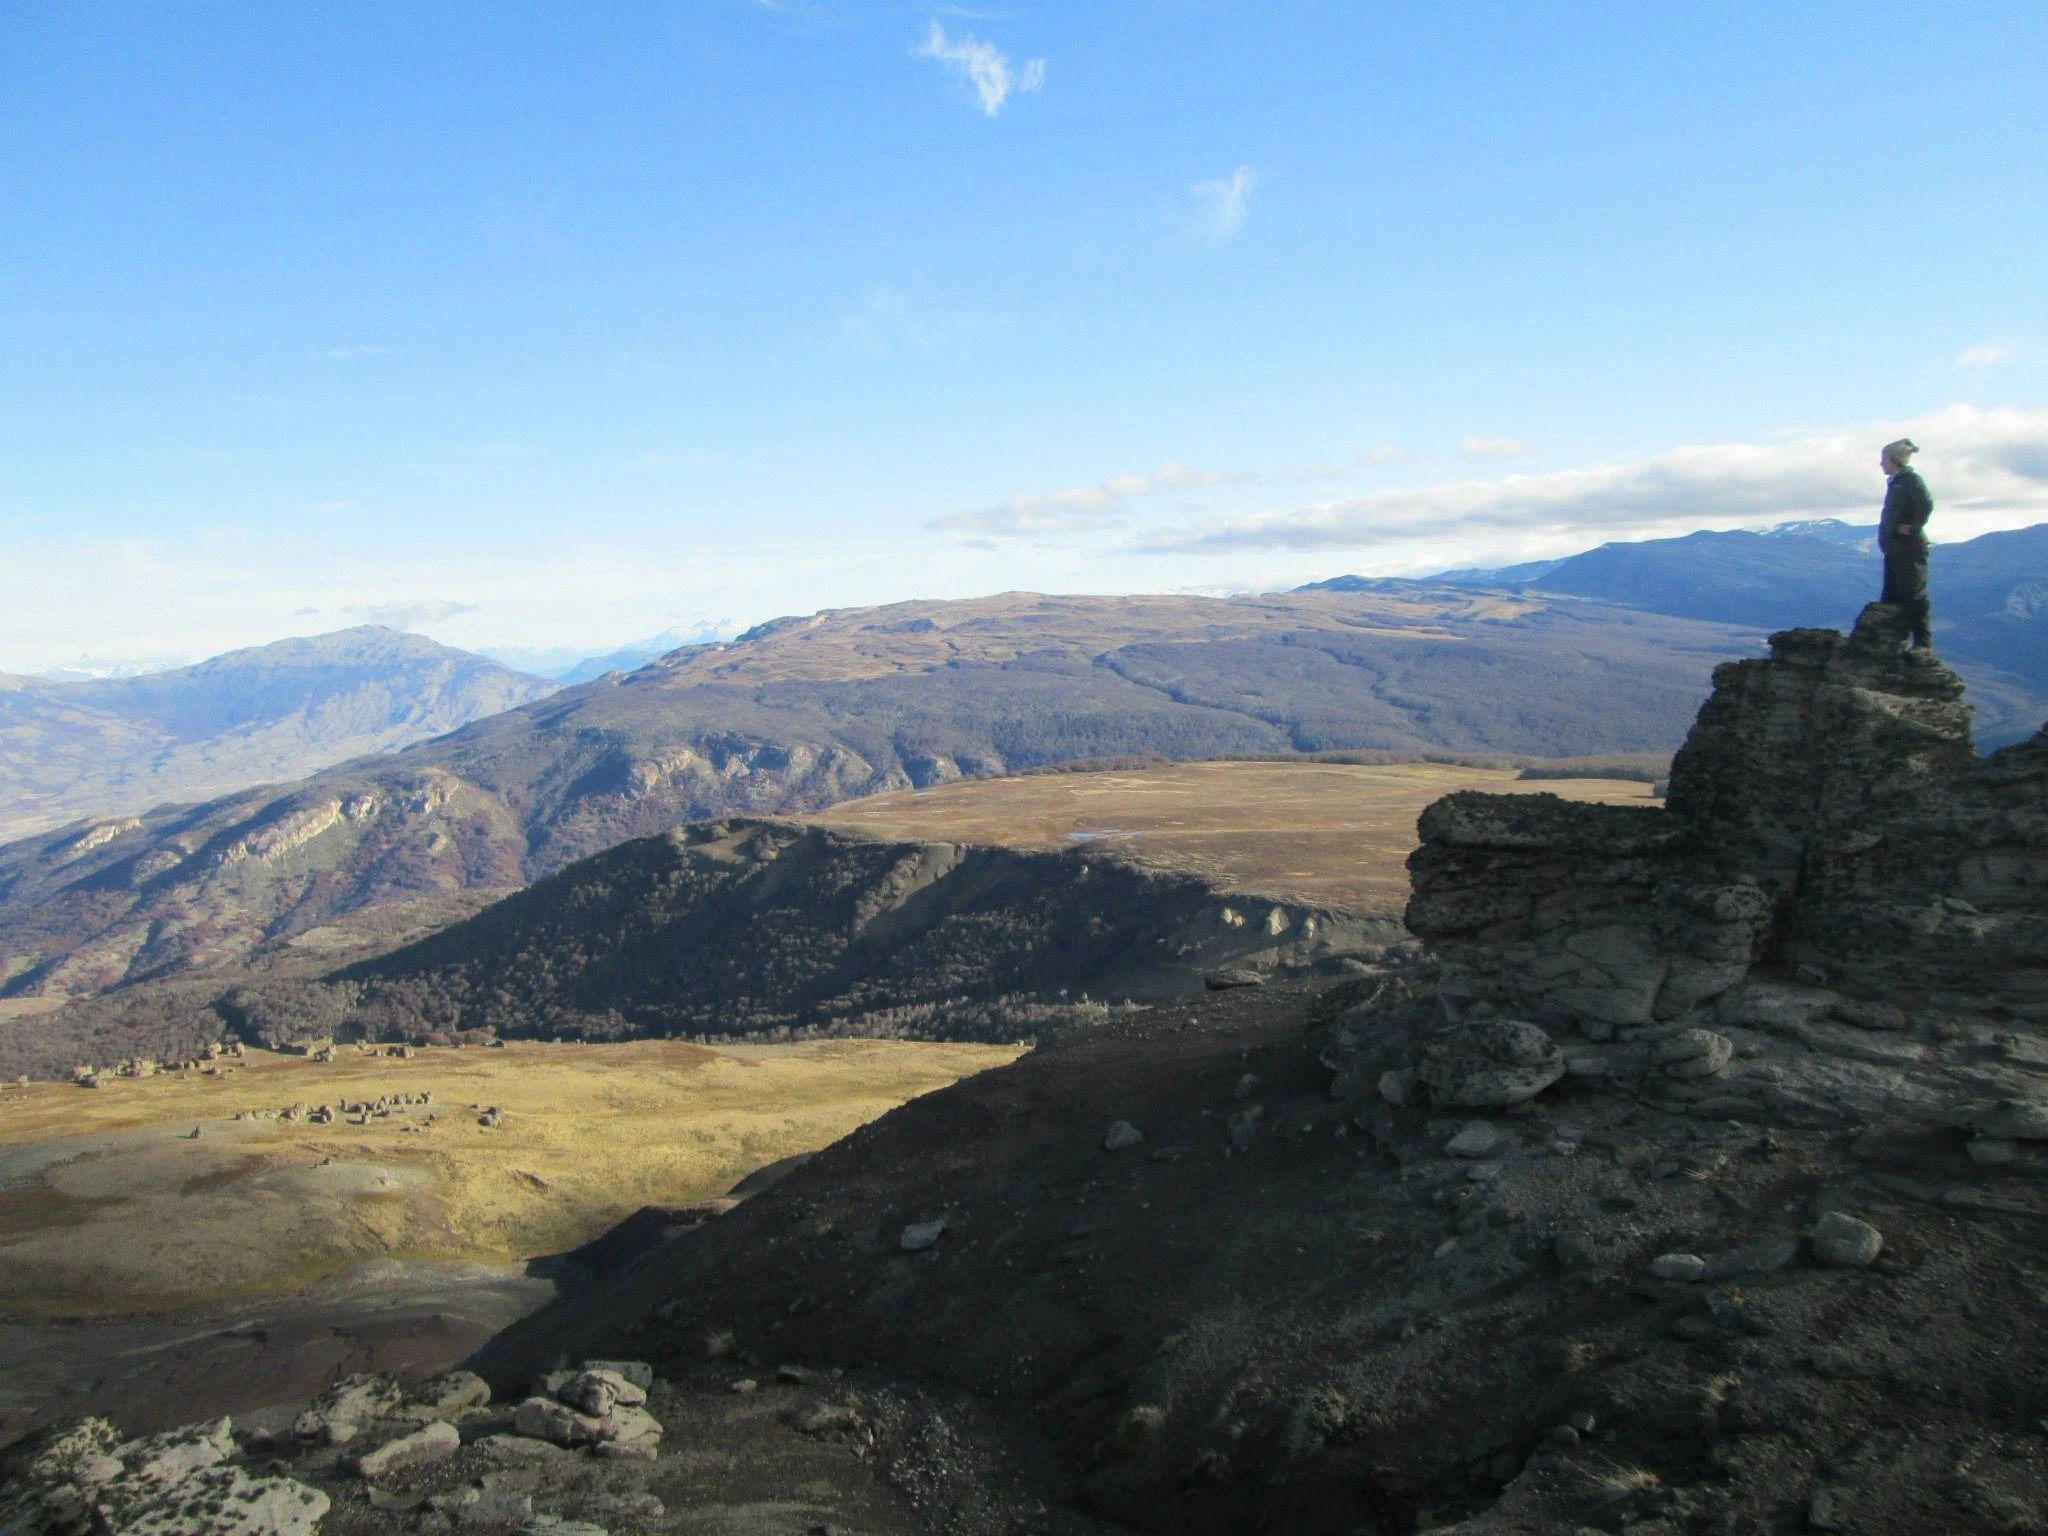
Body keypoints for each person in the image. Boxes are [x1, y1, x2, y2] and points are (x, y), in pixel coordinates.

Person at [1876, 437, 1933, 652]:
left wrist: (1913, 527)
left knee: (1912, 593)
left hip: (1909, 548)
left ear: (1895, 459)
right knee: (1892, 594)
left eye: (1884, 459)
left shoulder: (1910, 480)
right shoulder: (1898, 482)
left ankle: (1922, 643)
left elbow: (1926, 503)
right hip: (1895, 548)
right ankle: (1890, 641)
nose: (1881, 464)